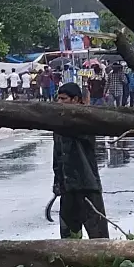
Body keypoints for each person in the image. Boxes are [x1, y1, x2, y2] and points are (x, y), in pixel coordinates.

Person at [52, 84, 109, 239]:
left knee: (99, 236)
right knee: (68, 237)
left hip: (87, 185)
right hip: (67, 186)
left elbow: (82, 134)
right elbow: (57, 156)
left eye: (63, 99)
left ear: (76, 100)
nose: (59, 102)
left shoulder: (86, 120)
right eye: (58, 98)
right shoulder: (57, 122)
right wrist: (57, 182)